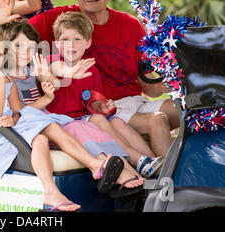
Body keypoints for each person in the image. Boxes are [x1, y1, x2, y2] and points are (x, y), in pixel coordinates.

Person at [0, 25, 144, 211]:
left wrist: (14, 118)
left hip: (8, 125)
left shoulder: (5, 78)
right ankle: (52, 189)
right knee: (42, 131)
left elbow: (18, 110)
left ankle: (92, 167)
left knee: (47, 131)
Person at [24, 0, 178, 158]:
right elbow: (16, 35)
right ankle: (168, 185)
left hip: (134, 101)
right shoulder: (61, 20)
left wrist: (176, 80)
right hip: (103, 108)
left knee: (185, 109)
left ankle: (197, 173)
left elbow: (149, 87)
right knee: (157, 119)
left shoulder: (131, 25)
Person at [44, 12, 163, 177]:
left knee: (117, 122)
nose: (71, 44)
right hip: (64, 122)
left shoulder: (91, 69)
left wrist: (101, 106)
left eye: (77, 39)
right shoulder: (53, 60)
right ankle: (137, 160)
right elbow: (56, 69)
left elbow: (91, 100)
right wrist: (71, 72)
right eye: (65, 40)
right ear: (57, 43)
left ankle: (154, 164)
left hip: (84, 117)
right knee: (98, 120)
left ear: (87, 43)